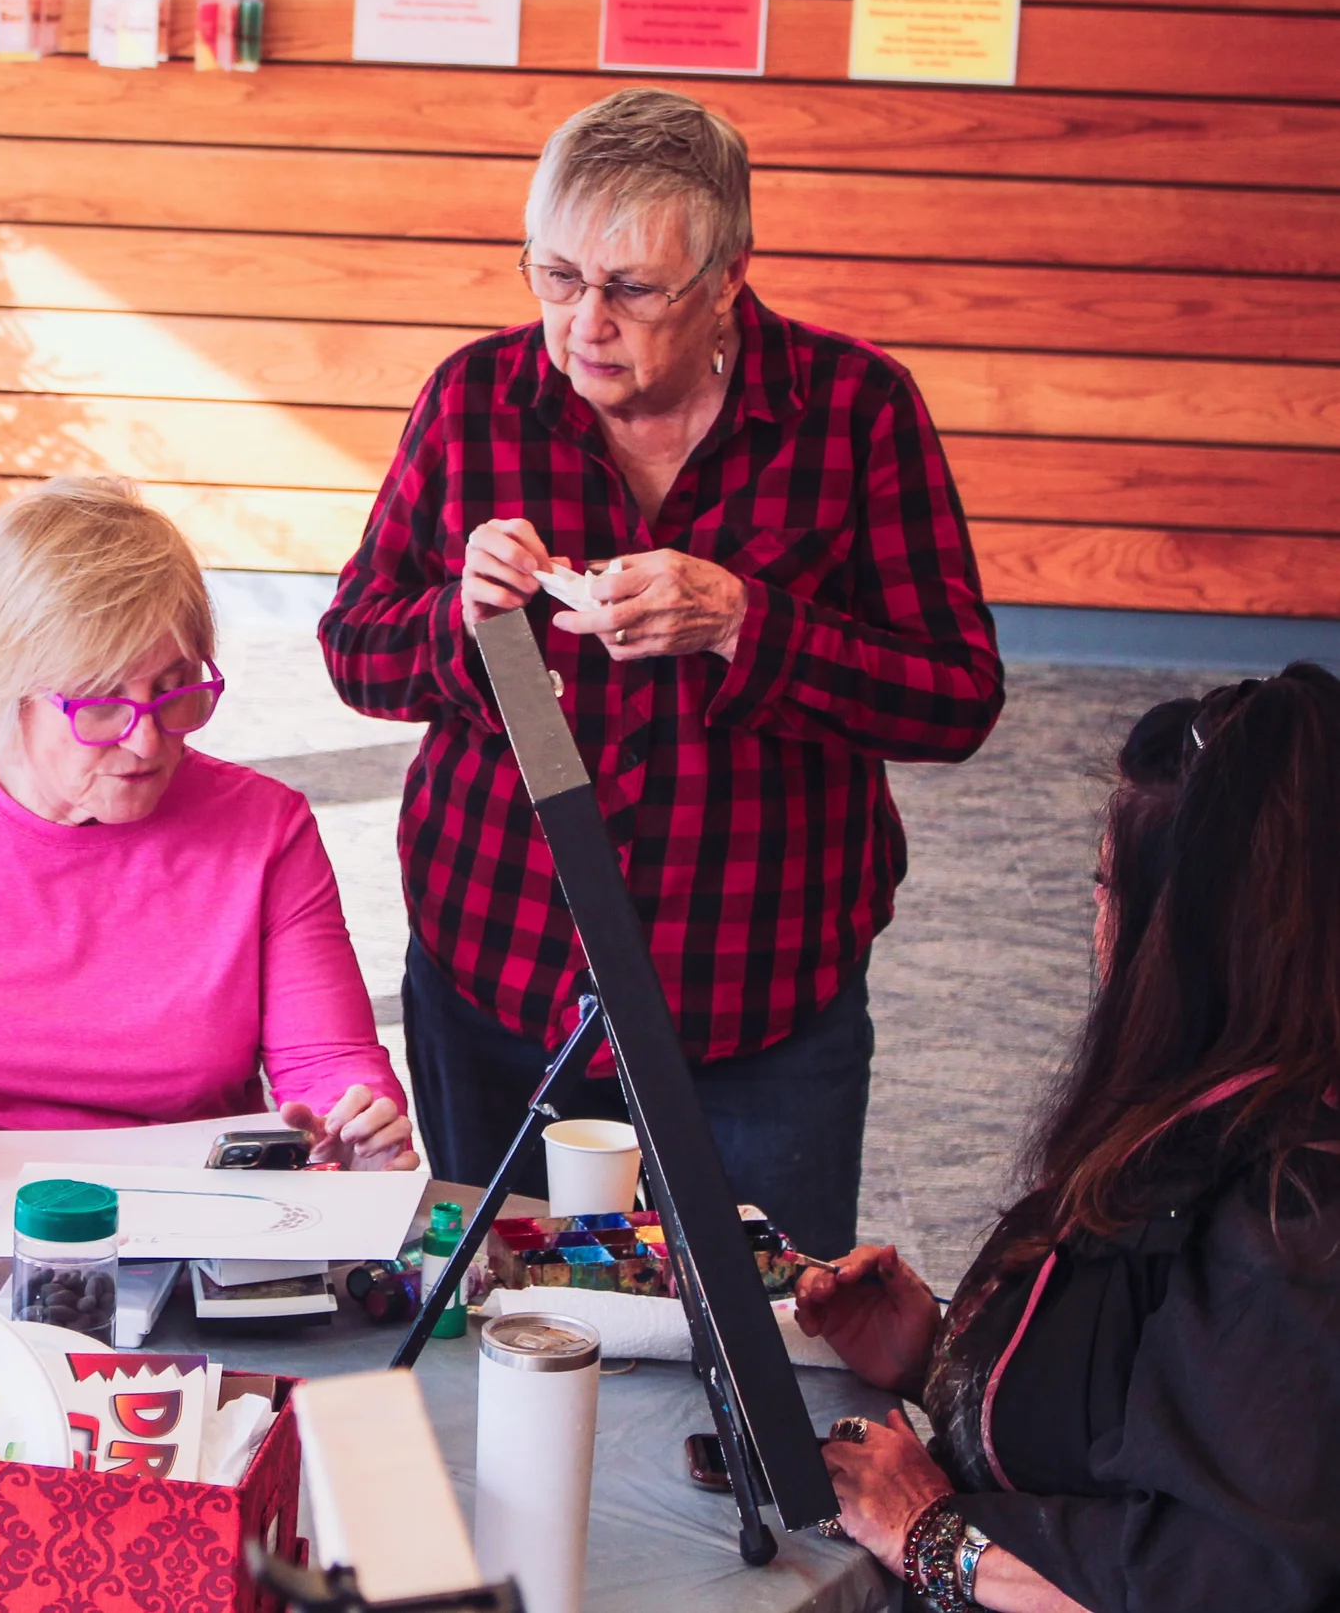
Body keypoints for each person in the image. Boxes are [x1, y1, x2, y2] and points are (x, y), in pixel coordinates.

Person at [319, 86, 1003, 1253]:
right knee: (503, 1313)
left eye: (633, 289)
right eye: (556, 276)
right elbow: (357, 649)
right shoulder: (473, 401)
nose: (585, 323)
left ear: (729, 275)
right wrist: (461, 622)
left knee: (765, 1340)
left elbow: (953, 699)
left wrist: (748, 621)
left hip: (756, 996)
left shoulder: (853, 411)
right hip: (497, 968)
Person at [796, 665, 1340, 1612]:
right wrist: (946, 1362)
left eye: (1107, 892)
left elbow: (1230, 1578)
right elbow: (1147, 1390)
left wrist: (940, 1541)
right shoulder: (1216, 1115)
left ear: (1195, 942)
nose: (1097, 928)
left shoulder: (1289, 1228)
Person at [0, 477, 417, 1168]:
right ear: (12, 688)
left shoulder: (266, 829)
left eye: (173, 689)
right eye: (101, 703)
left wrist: (358, 1130)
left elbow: (329, 1065)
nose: (149, 740)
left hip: (192, 1220)